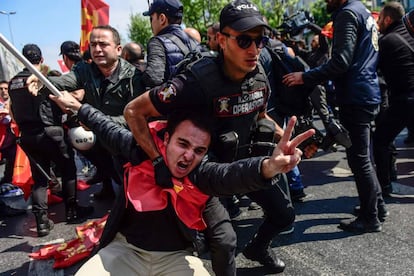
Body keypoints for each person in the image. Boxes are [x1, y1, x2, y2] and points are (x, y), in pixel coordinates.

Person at [49, 90, 312, 276]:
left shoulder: (202, 173)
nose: (188, 155)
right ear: (165, 138)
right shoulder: (137, 148)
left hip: (176, 259)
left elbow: (232, 176)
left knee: (225, 238)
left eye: (198, 150)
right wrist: (77, 107)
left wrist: (268, 166)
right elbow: (105, 126)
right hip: (124, 251)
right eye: (182, 144)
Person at [124, 0, 295, 273]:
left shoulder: (258, 72)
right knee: (225, 241)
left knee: (284, 215)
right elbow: (133, 111)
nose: (254, 49)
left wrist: (283, 137)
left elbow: (260, 116)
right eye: (243, 40)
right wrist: (158, 161)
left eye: (259, 40)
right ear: (221, 40)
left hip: (247, 164)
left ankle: (258, 248)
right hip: (208, 172)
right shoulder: (193, 81)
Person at [283, 0, 386, 233]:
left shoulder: (347, 14)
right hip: (366, 91)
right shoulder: (361, 10)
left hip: (356, 95)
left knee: (359, 158)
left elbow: (340, 62)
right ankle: (376, 207)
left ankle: (371, 216)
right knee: (364, 156)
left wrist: (305, 77)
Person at [29, 25, 146, 200]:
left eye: (103, 44)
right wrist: (42, 80)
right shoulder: (85, 70)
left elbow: (134, 119)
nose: (97, 49)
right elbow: (63, 81)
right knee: (119, 184)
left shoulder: (134, 77)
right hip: (104, 143)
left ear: (118, 49)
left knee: (136, 190)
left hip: (130, 144)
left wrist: (91, 117)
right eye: (93, 45)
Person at [9, 44, 93, 237]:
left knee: (40, 179)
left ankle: (42, 223)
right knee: (68, 168)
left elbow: (13, 112)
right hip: (51, 132)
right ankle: (72, 210)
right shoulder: (43, 80)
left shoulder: (13, 82)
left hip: (28, 136)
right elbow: (63, 104)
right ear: (42, 59)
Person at [373, 2, 414, 197]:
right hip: (408, 98)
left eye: (379, 18)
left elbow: (371, 68)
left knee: (380, 140)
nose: (378, 22)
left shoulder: (387, 41)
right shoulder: (407, 36)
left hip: (405, 100)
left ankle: (384, 188)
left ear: (388, 19)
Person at [141, 0, 198, 88]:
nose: (151, 23)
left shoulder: (157, 42)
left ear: (162, 19)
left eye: (151, 18)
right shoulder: (194, 42)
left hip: (174, 100)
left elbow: (153, 78)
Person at [0, 79, 16, 184]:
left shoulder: (14, 103)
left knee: (11, 166)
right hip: (1, 140)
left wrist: (9, 112)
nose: (3, 91)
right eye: (1, 89)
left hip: (12, 141)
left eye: (6, 88)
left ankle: (7, 182)